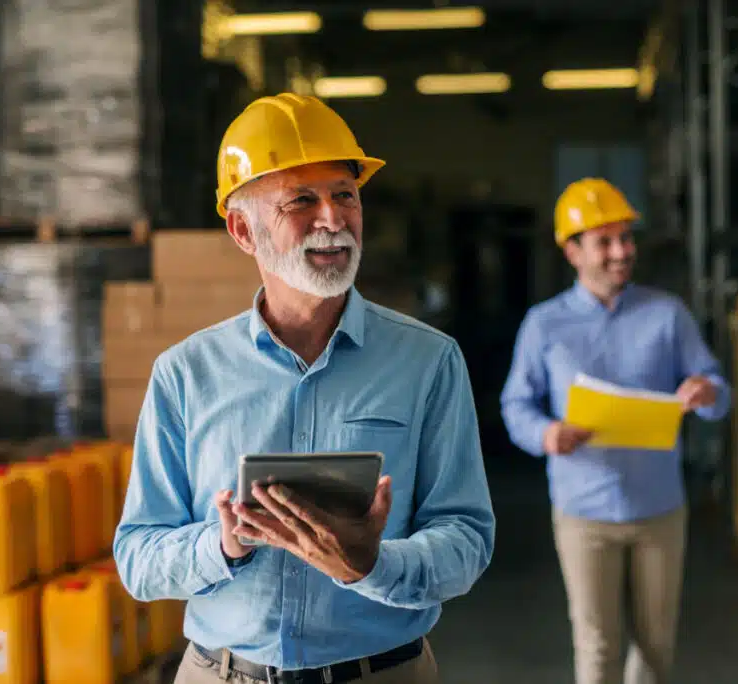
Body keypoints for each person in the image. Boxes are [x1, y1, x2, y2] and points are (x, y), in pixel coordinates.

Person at [114, 93, 495, 684]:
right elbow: (138, 557)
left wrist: (374, 564)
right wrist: (223, 544)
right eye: (302, 200)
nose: (333, 219)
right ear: (243, 230)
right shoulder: (186, 374)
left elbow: (467, 538)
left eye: (345, 194)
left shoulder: (428, 362)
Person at [499, 178, 730, 684]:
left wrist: (707, 392)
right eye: (605, 241)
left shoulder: (667, 314)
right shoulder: (544, 325)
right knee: (597, 648)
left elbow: (718, 389)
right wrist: (546, 434)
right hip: (584, 515)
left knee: (655, 647)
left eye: (626, 238)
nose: (622, 252)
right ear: (572, 251)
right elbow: (516, 405)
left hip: (660, 511)